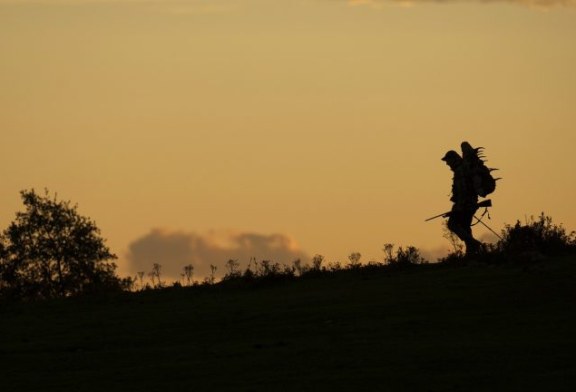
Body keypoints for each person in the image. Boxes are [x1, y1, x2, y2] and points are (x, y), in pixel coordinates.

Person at [442, 149, 483, 255]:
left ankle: (473, 244)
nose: (447, 164)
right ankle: (471, 253)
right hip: (470, 204)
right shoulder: (463, 169)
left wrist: (458, 208)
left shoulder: (460, 171)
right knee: (465, 226)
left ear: (453, 159)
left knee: (452, 224)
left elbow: (463, 191)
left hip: (466, 204)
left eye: (448, 161)